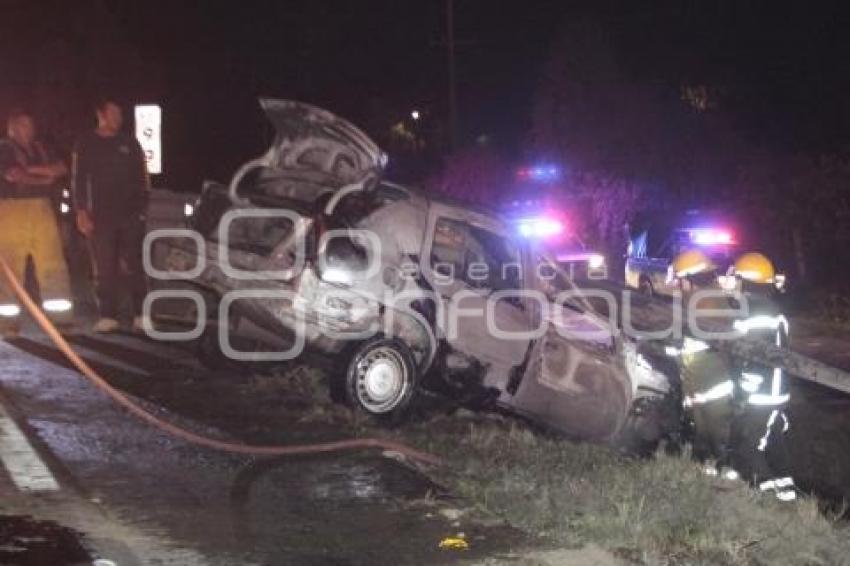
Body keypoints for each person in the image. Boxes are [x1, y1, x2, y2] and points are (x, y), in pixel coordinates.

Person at [71, 98, 149, 333]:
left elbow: (143, 179)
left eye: (120, 114)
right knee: (104, 268)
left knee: (134, 265)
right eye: (113, 113)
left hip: (130, 216)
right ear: (101, 114)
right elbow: (78, 179)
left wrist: (141, 209)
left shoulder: (130, 143)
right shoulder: (85, 143)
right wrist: (81, 211)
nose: (118, 118)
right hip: (100, 217)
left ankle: (140, 314)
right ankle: (108, 315)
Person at [727, 252, 795, 501]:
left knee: (750, 445)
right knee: (775, 442)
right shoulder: (774, 310)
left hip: (763, 394)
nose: (733, 283)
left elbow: (754, 360)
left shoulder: (753, 313)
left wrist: (743, 395)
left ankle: (767, 497)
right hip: (778, 391)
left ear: (746, 281)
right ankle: (787, 495)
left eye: (737, 278)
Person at [0, 110, 73, 335]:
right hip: (12, 209)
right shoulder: (4, 148)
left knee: (53, 263)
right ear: (12, 127)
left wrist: (31, 172)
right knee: (9, 268)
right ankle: (6, 322)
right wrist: (44, 179)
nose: (29, 129)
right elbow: (13, 174)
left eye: (31, 125)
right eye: (24, 125)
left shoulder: (41, 148)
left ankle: (60, 319)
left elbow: (61, 168)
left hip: (43, 209)